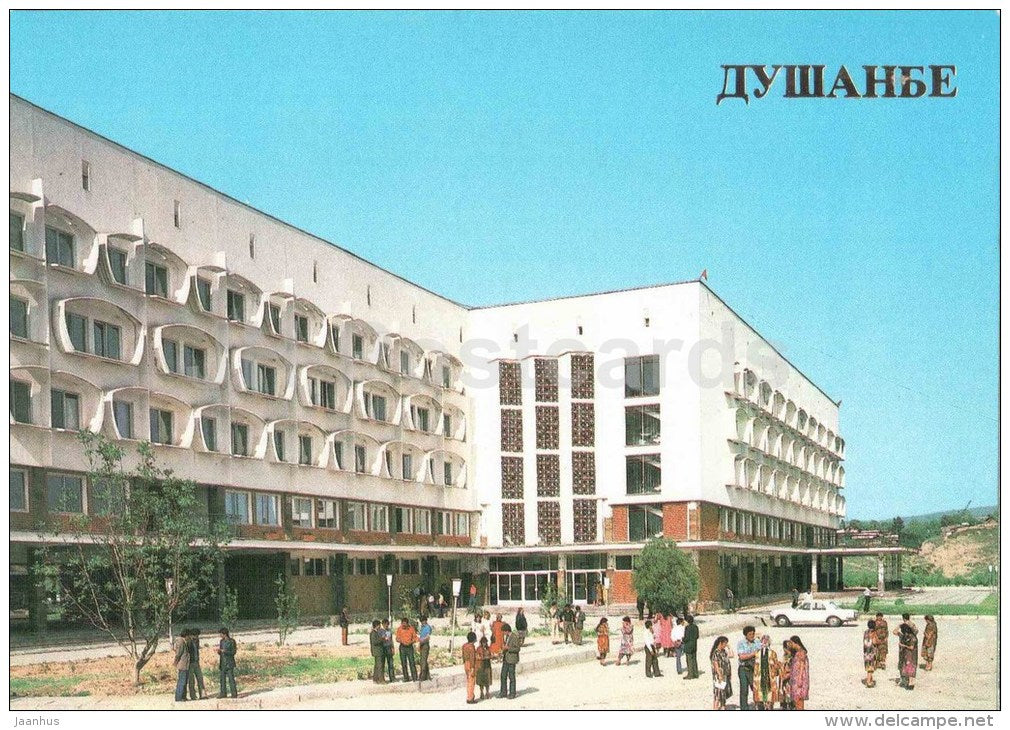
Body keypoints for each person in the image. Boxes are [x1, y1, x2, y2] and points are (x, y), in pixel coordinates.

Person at [736, 625, 761, 711]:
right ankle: (744, 708)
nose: (752, 636)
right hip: (743, 668)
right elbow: (741, 656)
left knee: (756, 688)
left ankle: (759, 706)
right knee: (744, 690)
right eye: (750, 634)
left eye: (753, 634)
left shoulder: (757, 642)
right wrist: (753, 654)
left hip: (754, 668)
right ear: (745, 635)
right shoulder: (741, 643)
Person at [752, 634, 780, 710]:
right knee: (759, 693)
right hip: (759, 676)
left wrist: (775, 669)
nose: (765, 642)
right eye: (763, 640)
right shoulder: (757, 653)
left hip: (769, 675)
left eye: (767, 640)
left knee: (769, 694)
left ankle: (769, 707)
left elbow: (776, 663)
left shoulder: (773, 653)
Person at [709, 636, 732, 710]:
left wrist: (729, 648)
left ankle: (723, 707)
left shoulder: (723, 651)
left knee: (723, 692)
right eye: (725, 643)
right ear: (720, 643)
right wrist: (719, 675)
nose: (726, 645)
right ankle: (715, 708)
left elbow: (731, 655)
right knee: (718, 692)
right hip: (719, 675)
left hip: (725, 674)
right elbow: (716, 664)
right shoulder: (716, 653)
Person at [787, 636, 809, 710]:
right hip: (795, 678)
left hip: (799, 679)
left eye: (791, 643)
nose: (791, 645)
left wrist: (799, 679)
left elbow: (802, 666)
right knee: (796, 700)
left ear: (796, 643)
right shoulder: (797, 652)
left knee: (799, 700)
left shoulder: (801, 652)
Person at [500, 623, 521, 699]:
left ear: (507, 631)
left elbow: (517, 649)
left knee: (511, 677)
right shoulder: (507, 637)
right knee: (503, 676)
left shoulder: (514, 637)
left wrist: (508, 648)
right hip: (506, 659)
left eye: (504, 632)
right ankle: (503, 692)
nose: (503, 633)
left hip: (512, 659)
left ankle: (512, 693)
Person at [216, 627, 238, 699]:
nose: (220, 635)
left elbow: (233, 652)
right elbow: (221, 652)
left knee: (231, 679)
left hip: (229, 663)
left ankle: (234, 694)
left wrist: (225, 651)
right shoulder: (221, 641)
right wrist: (219, 652)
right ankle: (223, 693)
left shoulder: (232, 641)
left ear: (225, 634)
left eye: (221, 634)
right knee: (222, 680)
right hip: (222, 663)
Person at [187, 627, 207, 700]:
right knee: (191, 680)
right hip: (190, 663)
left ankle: (202, 695)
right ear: (192, 635)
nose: (197, 637)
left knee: (200, 678)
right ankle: (193, 696)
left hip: (196, 662)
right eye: (196, 635)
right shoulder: (188, 642)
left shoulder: (197, 641)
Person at [395, 616, 418, 682]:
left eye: (405, 624)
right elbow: (397, 638)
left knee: (412, 662)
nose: (403, 625)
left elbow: (415, 638)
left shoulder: (411, 629)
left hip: (409, 647)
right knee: (403, 663)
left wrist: (411, 642)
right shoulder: (399, 629)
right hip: (402, 647)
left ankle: (414, 677)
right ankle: (406, 678)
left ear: (407, 623)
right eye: (402, 624)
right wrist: (402, 641)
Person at [173, 629, 191, 702]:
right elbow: (178, 654)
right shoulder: (181, 642)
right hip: (182, 665)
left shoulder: (183, 641)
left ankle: (183, 697)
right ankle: (179, 697)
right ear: (186, 635)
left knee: (184, 681)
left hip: (185, 665)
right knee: (181, 682)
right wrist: (175, 662)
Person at [898, 623, 918, 690]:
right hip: (907, 654)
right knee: (908, 668)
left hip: (911, 655)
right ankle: (909, 683)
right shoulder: (908, 636)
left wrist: (903, 645)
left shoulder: (912, 637)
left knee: (911, 668)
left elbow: (911, 647)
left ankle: (911, 683)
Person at [462, 631, 478, 704]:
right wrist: (472, 668)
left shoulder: (464, 646)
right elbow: (472, 658)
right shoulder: (471, 647)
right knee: (471, 681)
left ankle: (470, 696)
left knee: (468, 680)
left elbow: (463, 656)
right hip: (470, 664)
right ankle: (470, 698)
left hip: (466, 663)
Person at [683, 614, 700, 679]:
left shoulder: (687, 628)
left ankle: (690, 674)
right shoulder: (696, 627)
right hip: (694, 644)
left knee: (689, 660)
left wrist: (683, 639)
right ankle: (696, 673)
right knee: (694, 660)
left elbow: (686, 638)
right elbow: (697, 636)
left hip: (688, 645)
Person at [369, 619, 386, 684]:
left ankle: (375, 679)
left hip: (378, 651)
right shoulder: (373, 633)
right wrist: (382, 639)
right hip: (377, 651)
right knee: (380, 666)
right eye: (379, 625)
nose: (380, 627)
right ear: (377, 626)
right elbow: (375, 642)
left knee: (377, 666)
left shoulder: (375, 632)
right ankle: (381, 680)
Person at [779, 640, 794, 710]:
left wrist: (787, 675)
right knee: (784, 692)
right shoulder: (785, 656)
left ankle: (790, 705)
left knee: (789, 693)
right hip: (784, 677)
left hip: (789, 677)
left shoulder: (792, 657)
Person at [863, 620, 877, 688]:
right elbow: (874, 642)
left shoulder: (866, 632)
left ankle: (870, 679)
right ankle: (868, 682)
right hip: (871, 652)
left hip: (866, 652)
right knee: (871, 668)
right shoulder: (873, 633)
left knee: (867, 666)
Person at [381, 618, 396, 683]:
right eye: (385, 624)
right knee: (382, 664)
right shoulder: (380, 631)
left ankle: (392, 678)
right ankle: (382, 678)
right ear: (382, 624)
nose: (386, 626)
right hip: (383, 648)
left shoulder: (389, 631)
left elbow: (391, 640)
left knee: (391, 663)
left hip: (389, 647)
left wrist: (393, 648)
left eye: (387, 624)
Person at [418, 616, 432, 681]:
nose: (422, 623)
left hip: (425, 645)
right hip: (421, 644)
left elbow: (428, 637)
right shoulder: (422, 627)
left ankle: (423, 676)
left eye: (423, 621)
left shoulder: (427, 627)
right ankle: (427, 675)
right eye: (421, 622)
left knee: (423, 661)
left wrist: (422, 640)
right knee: (423, 660)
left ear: (425, 621)